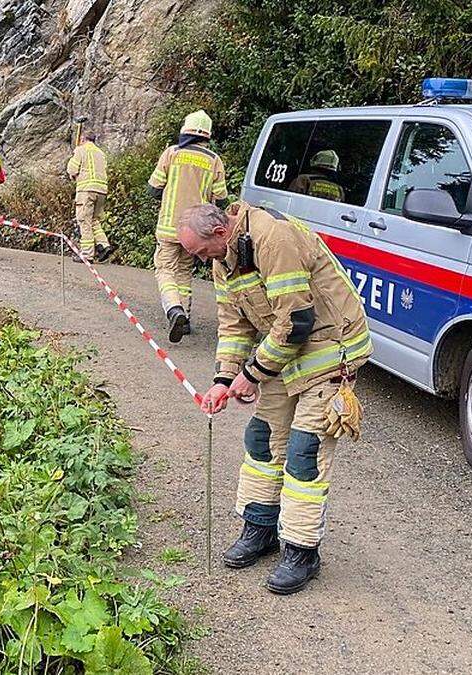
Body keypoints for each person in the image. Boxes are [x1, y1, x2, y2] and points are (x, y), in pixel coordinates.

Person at [179, 201, 371, 595]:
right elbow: (233, 325)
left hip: (329, 351)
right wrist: (223, 378)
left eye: (200, 253)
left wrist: (252, 374)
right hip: (285, 355)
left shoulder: (273, 237)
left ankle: (302, 551)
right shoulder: (225, 257)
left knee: (305, 451)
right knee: (263, 440)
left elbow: (297, 321)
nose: (200, 262)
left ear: (219, 233)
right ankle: (260, 528)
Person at [147, 110, 228, 343]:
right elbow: (221, 199)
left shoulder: (172, 153)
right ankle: (185, 318)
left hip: (169, 226)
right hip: (197, 232)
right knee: (183, 271)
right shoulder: (214, 160)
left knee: (164, 269)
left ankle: (174, 310)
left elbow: (153, 188)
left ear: (185, 129)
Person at [65, 130, 114, 261]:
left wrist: (73, 163)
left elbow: (72, 169)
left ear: (82, 139)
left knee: (84, 221)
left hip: (86, 190)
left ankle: (87, 255)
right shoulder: (101, 153)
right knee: (94, 220)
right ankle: (103, 246)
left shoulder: (80, 150)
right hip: (102, 190)